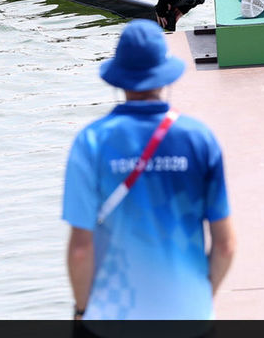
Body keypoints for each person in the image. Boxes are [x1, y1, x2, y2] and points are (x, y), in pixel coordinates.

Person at [62, 19, 235, 322]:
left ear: (120, 79)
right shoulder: (199, 139)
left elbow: (80, 249)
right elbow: (225, 245)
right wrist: (198, 301)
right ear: (164, 78)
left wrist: (81, 310)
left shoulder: (91, 142)